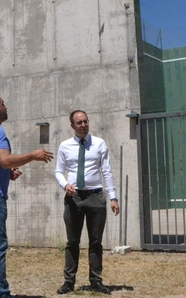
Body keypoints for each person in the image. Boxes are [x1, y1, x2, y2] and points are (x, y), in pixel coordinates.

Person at [0, 95, 54, 298]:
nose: (6, 107)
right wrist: (33, 155)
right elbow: (5, 160)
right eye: (4, 104)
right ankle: (2, 294)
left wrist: (6, 174)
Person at [54, 110, 119, 295]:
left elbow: (106, 171)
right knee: (72, 241)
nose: (83, 125)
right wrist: (65, 184)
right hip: (74, 198)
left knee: (96, 241)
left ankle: (96, 280)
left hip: (96, 197)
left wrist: (113, 197)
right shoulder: (65, 146)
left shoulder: (99, 143)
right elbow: (58, 171)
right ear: (72, 125)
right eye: (79, 123)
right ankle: (69, 281)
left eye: (85, 122)